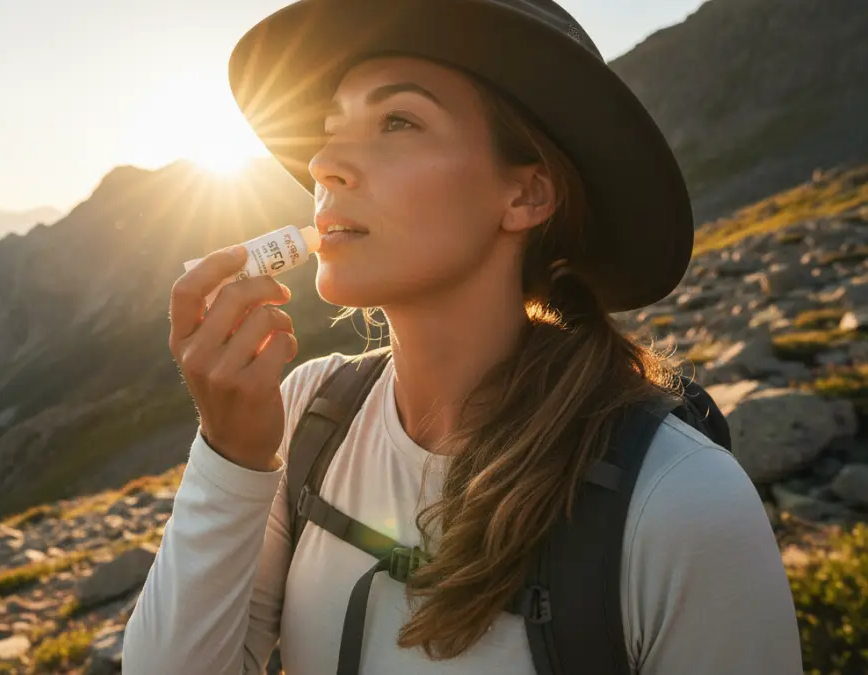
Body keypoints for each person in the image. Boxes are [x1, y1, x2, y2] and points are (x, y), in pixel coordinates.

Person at [123, 0, 804, 673]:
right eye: (329, 129)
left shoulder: (680, 500)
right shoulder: (307, 409)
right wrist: (230, 454)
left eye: (397, 121)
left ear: (525, 196)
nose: (323, 162)